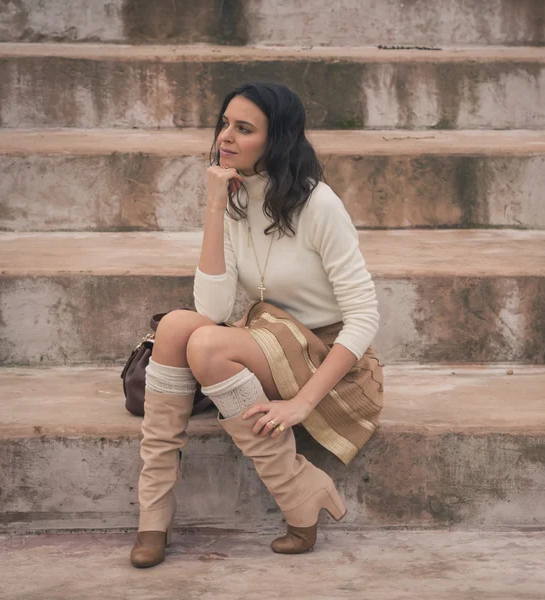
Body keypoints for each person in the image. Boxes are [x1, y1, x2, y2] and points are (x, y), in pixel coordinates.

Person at [130, 82, 384, 568]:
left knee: (204, 346)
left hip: (333, 366)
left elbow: (365, 315)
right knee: (179, 326)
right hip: (274, 338)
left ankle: (296, 491)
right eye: (225, 123)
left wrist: (300, 403)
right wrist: (214, 203)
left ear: (278, 140)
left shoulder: (319, 205)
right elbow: (213, 306)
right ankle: (153, 514)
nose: (226, 136)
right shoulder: (236, 197)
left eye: (244, 128)